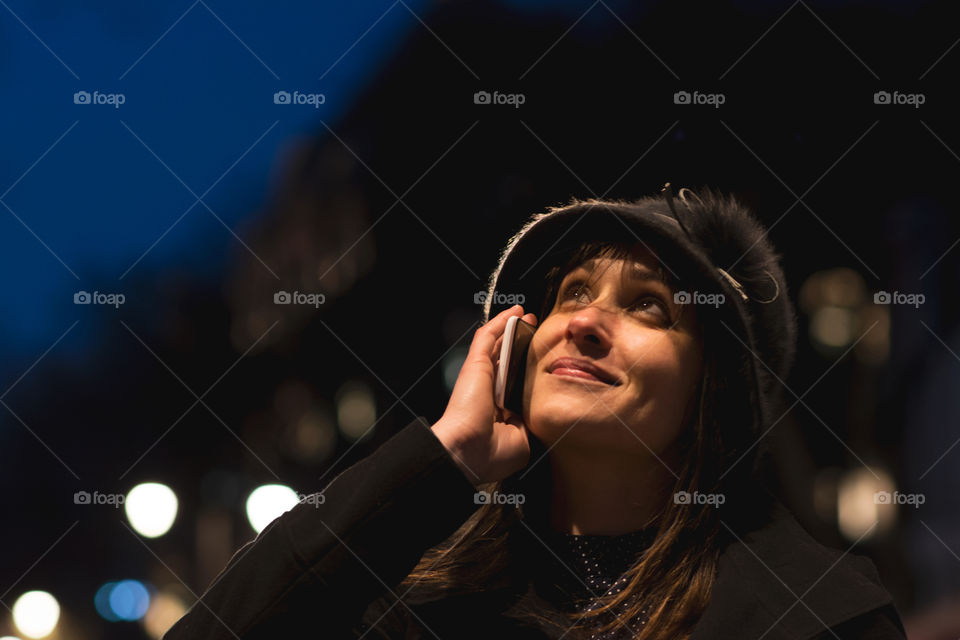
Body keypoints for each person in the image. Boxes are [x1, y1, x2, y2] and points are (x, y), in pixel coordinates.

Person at [163, 184, 907, 639]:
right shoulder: (417, 594)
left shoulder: (819, 616)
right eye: (573, 292)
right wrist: (444, 456)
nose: (584, 322)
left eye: (649, 307)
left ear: (716, 389)